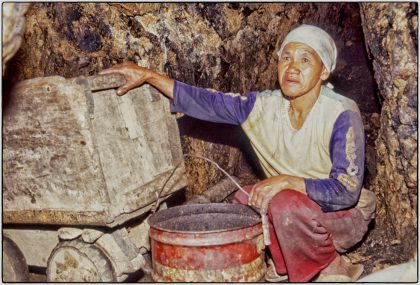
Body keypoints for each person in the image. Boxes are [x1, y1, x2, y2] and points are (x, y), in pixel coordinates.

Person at [100, 24, 376, 282]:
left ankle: (330, 265)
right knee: (245, 199)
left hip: (343, 215)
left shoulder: (340, 112)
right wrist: (148, 75)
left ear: (324, 71)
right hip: (298, 205)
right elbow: (207, 101)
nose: (292, 68)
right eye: (286, 58)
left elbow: (345, 192)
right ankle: (284, 264)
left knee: (283, 204)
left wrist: (287, 181)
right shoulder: (263, 107)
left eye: (305, 60)